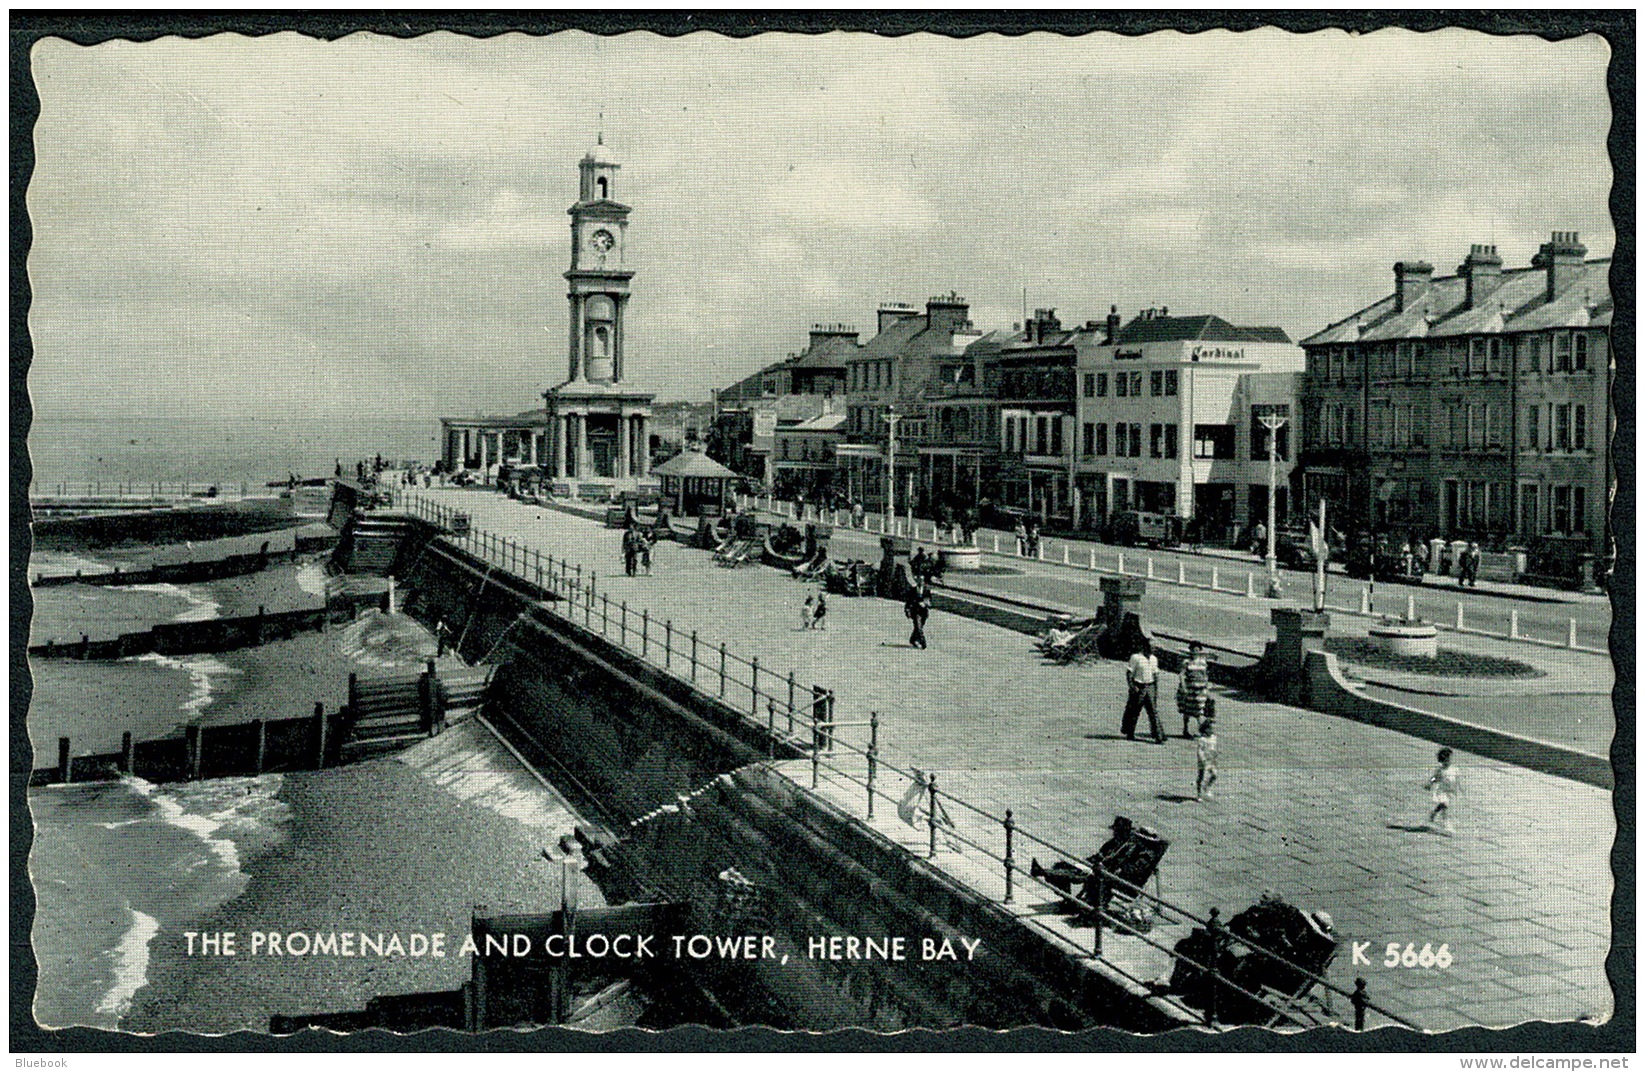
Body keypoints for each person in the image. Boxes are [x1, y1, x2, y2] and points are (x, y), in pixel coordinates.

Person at [1122, 638, 1165, 743]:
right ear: (1145, 646)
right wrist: (1132, 686)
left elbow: (1155, 674)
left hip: (1150, 686)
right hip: (1138, 685)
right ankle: (1130, 732)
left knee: (1153, 711)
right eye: (1152, 646)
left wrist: (1155, 689)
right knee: (1134, 710)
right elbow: (1129, 673)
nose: (1154, 648)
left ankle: (1158, 735)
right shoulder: (1136, 658)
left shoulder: (1154, 659)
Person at [1177, 641, 1212, 739]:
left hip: (1200, 690)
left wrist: (1207, 686)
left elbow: (1205, 675)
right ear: (1190, 650)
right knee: (1187, 711)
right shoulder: (1186, 662)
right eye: (1193, 650)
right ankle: (1186, 729)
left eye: (1197, 650)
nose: (1195, 652)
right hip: (1189, 689)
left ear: (1200, 651)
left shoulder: (1203, 662)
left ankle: (1202, 730)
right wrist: (1183, 686)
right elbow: (1181, 674)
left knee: (1199, 710)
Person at [1427, 747, 1458, 835]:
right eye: (1448, 759)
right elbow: (1434, 778)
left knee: (1442, 805)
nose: (1450, 761)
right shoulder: (1440, 770)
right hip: (1441, 791)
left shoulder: (1454, 769)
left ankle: (1433, 814)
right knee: (1445, 807)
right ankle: (1447, 826)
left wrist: (1457, 788)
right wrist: (1430, 783)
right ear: (1443, 761)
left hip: (1449, 792)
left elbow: (1455, 779)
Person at [1195, 717, 1219, 801]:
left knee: (1214, 775)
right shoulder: (1202, 739)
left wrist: (1215, 755)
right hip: (1203, 760)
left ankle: (1207, 787)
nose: (1213, 730)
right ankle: (1199, 794)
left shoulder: (1213, 737)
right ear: (1205, 729)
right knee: (1201, 776)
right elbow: (1199, 751)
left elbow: (1213, 748)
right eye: (1211, 728)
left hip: (1211, 759)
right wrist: (1202, 759)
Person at [905, 583, 931, 649]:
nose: (921, 582)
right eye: (919, 580)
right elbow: (909, 601)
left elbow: (929, 600)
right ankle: (923, 641)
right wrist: (907, 610)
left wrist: (926, 603)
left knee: (919, 627)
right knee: (918, 626)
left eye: (922, 580)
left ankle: (913, 639)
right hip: (915, 611)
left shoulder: (926, 590)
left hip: (923, 612)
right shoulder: (913, 590)